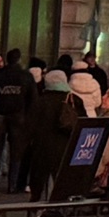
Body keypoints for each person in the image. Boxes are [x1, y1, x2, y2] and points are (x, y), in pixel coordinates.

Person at [23, 69, 82, 198]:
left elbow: (29, 126)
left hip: (42, 149)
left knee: (40, 184)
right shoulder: (74, 100)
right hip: (67, 148)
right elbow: (83, 125)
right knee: (62, 184)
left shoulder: (40, 101)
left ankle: (37, 210)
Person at [0, 50, 34, 190]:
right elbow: (32, 99)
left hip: (0, 115)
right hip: (18, 117)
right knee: (17, 152)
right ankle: (13, 185)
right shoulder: (26, 76)